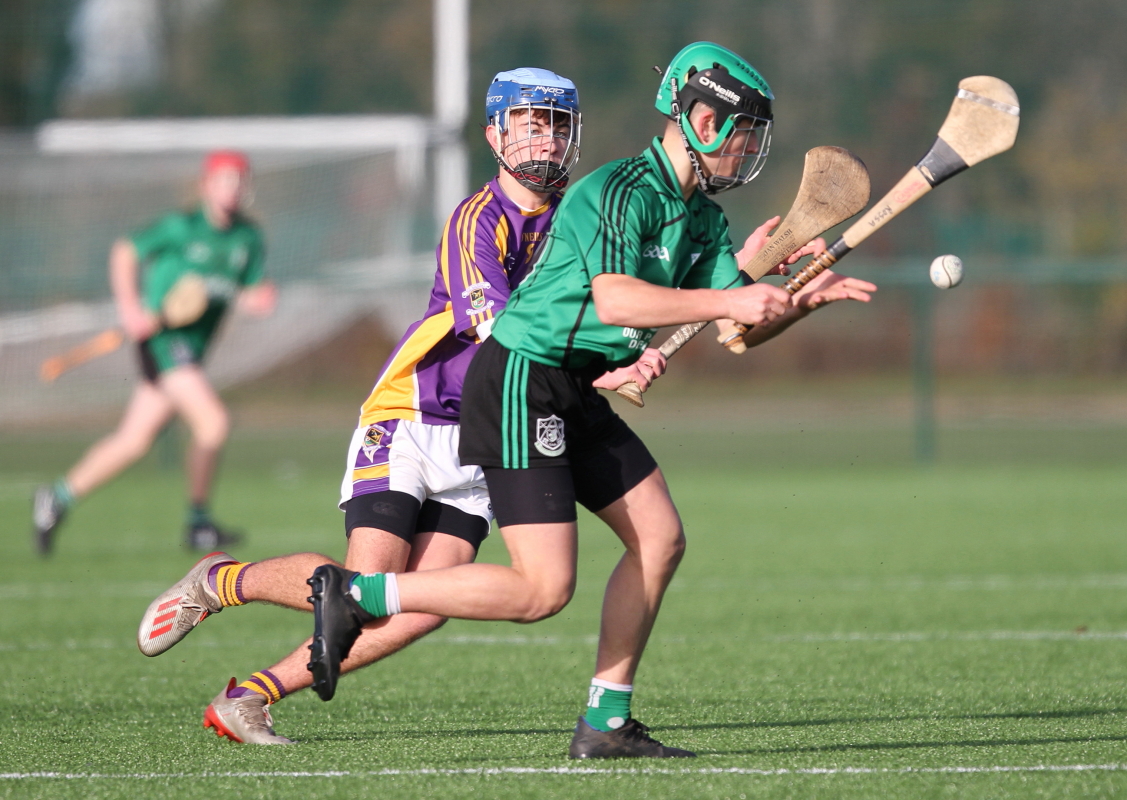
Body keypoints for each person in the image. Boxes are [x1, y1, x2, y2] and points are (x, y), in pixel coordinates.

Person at [308, 42, 878, 759]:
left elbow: (734, 328)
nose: (745, 151)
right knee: (542, 590)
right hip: (522, 379)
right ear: (699, 118)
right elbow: (616, 300)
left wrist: (797, 302)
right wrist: (733, 292)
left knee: (661, 539)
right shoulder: (620, 191)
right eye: (740, 134)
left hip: (575, 390)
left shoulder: (700, 220)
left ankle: (605, 723)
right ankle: (361, 595)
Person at [135, 68, 599, 745]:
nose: (546, 139)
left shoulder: (573, 228)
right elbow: (502, 331)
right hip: (411, 418)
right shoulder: (478, 219)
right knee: (365, 583)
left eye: (558, 125)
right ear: (495, 133)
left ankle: (251, 697)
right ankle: (218, 580)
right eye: (531, 122)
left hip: (486, 441)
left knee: (422, 606)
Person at [32, 151, 277, 555]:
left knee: (133, 441)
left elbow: (252, 291)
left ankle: (56, 497)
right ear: (206, 185)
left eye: (239, 181)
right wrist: (131, 309)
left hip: (192, 351)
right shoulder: (180, 228)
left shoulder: (248, 238)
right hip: (163, 342)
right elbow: (125, 251)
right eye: (224, 180)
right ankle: (198, 522)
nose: (232, 189)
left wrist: (259, 298)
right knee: (213, 422)